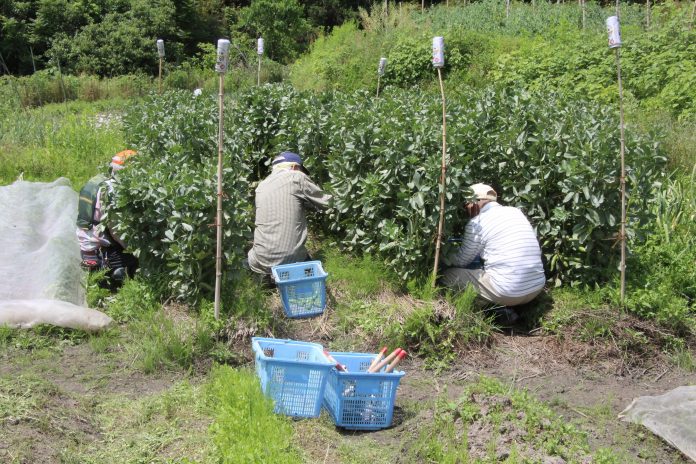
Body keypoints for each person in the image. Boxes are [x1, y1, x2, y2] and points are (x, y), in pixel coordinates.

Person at [441, 183, 546, 323]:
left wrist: (444, 256)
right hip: (535, 287)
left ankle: (489, 311)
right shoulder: (516, 211)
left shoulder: (477, 222)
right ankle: (506, 308)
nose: (466, 210)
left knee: (449, 276)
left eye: (467, 205)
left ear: (474, 202)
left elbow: (462, 260)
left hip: (509, 291)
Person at [247, 151, 331, 278]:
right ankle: (287, 274)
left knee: (252, 255)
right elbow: (327, 203)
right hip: (290, 261)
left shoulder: (261, 186)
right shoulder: (296, 177)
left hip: (259, 262)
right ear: (293, 167)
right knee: (306, 261)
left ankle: (265, 278)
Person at [75, 150, 139, 284]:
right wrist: (133, 249)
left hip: (86, 244)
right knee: (131, 264)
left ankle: (97, 271)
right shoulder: (112, 193)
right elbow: (115, 230)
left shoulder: (99, 183)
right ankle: (112, 274)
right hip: (98, 244)